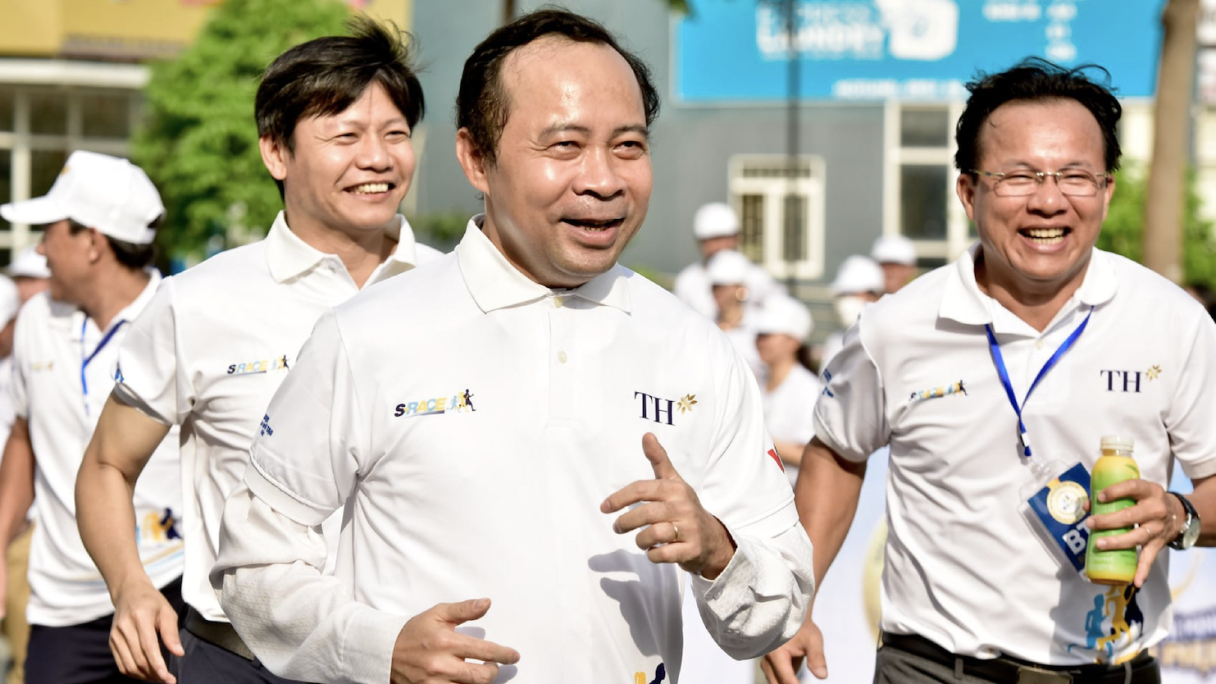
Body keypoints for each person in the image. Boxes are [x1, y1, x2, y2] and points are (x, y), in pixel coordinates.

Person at [211, 9, 814, 684]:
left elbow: (781, 598)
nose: (603, 179)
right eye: (565, 146)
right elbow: (254, 565)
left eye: (628, 146)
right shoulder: (365, 337)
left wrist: (718, 552)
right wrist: (379, 649)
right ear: (476, 157)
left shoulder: (694, 348)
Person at [762, 58, 1214, 684]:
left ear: (1107, 190)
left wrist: (1179, 515)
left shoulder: (1173, 322)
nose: (1049, 200)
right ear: (969, 192)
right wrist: (795, 602)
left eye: (1075, 176)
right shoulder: (895, 327)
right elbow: (838, 453)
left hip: (1113, 670)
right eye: (1018, 176)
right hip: (932, 670)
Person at [73, 17, 439, 684]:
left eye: (394, 134)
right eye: (346, 137)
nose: (379, 158)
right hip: (238, 661)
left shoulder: (456, 293)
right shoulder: (196, 303)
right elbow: (106, 464)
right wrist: (130, 588)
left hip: (419, 660)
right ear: (276, 152)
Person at [0, 150, 186, 684]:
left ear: (93, 242)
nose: (40, 249)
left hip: (170, 592)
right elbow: (23, 437)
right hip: (61, 606)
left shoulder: (182, 318)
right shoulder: (35, 320)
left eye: (49, 231)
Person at [0, 247, 47, 684]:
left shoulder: (41, 357)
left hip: (24, 532)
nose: (25, 289)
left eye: (33, 279)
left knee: (26, 664)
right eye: (21, 281)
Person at [674, 201, 785, 319]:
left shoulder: (758, 277)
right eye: (712, 240)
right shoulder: (687, 281)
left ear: (737, 238)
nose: (719, 246)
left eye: (724, 238)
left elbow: (781, 316)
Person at [755, 295, 819, 485]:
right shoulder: (756, 381)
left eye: (768, 335)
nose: (761, 341)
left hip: (791, 493)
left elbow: (810, 455)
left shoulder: (809, 390)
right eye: (759, 335)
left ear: (793, 341)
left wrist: (756, 440)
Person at [818, 254, 884, 370]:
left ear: (874, 296)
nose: (844, 301)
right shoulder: (835, 340)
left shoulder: (887, 339)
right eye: (842, 295)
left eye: (852, 294)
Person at [708, 248, 766, 379]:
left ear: (740, 288)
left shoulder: (760, 326)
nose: (717, 292)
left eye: (723, 287)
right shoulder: (707, 323)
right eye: (714, 287)